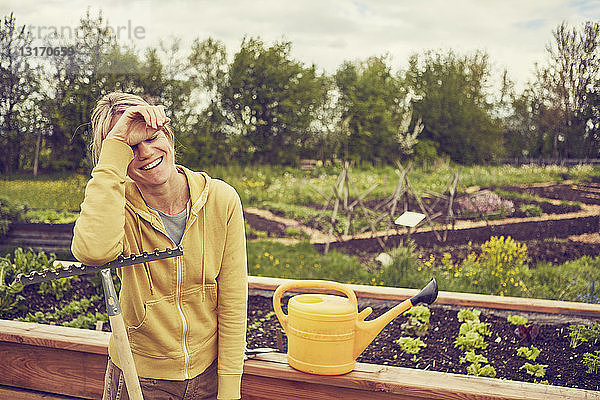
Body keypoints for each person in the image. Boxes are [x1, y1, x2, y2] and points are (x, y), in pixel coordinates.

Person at [71, 92, 248, 400]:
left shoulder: (221, 200)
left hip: (207, 377)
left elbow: (233, 302)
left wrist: (230, 388)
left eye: (152, 138)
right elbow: (93, 252)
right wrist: (113, 152)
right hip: (138, 378)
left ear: (168, 135)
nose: (145, 153)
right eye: (130, 147)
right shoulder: (117, 206)